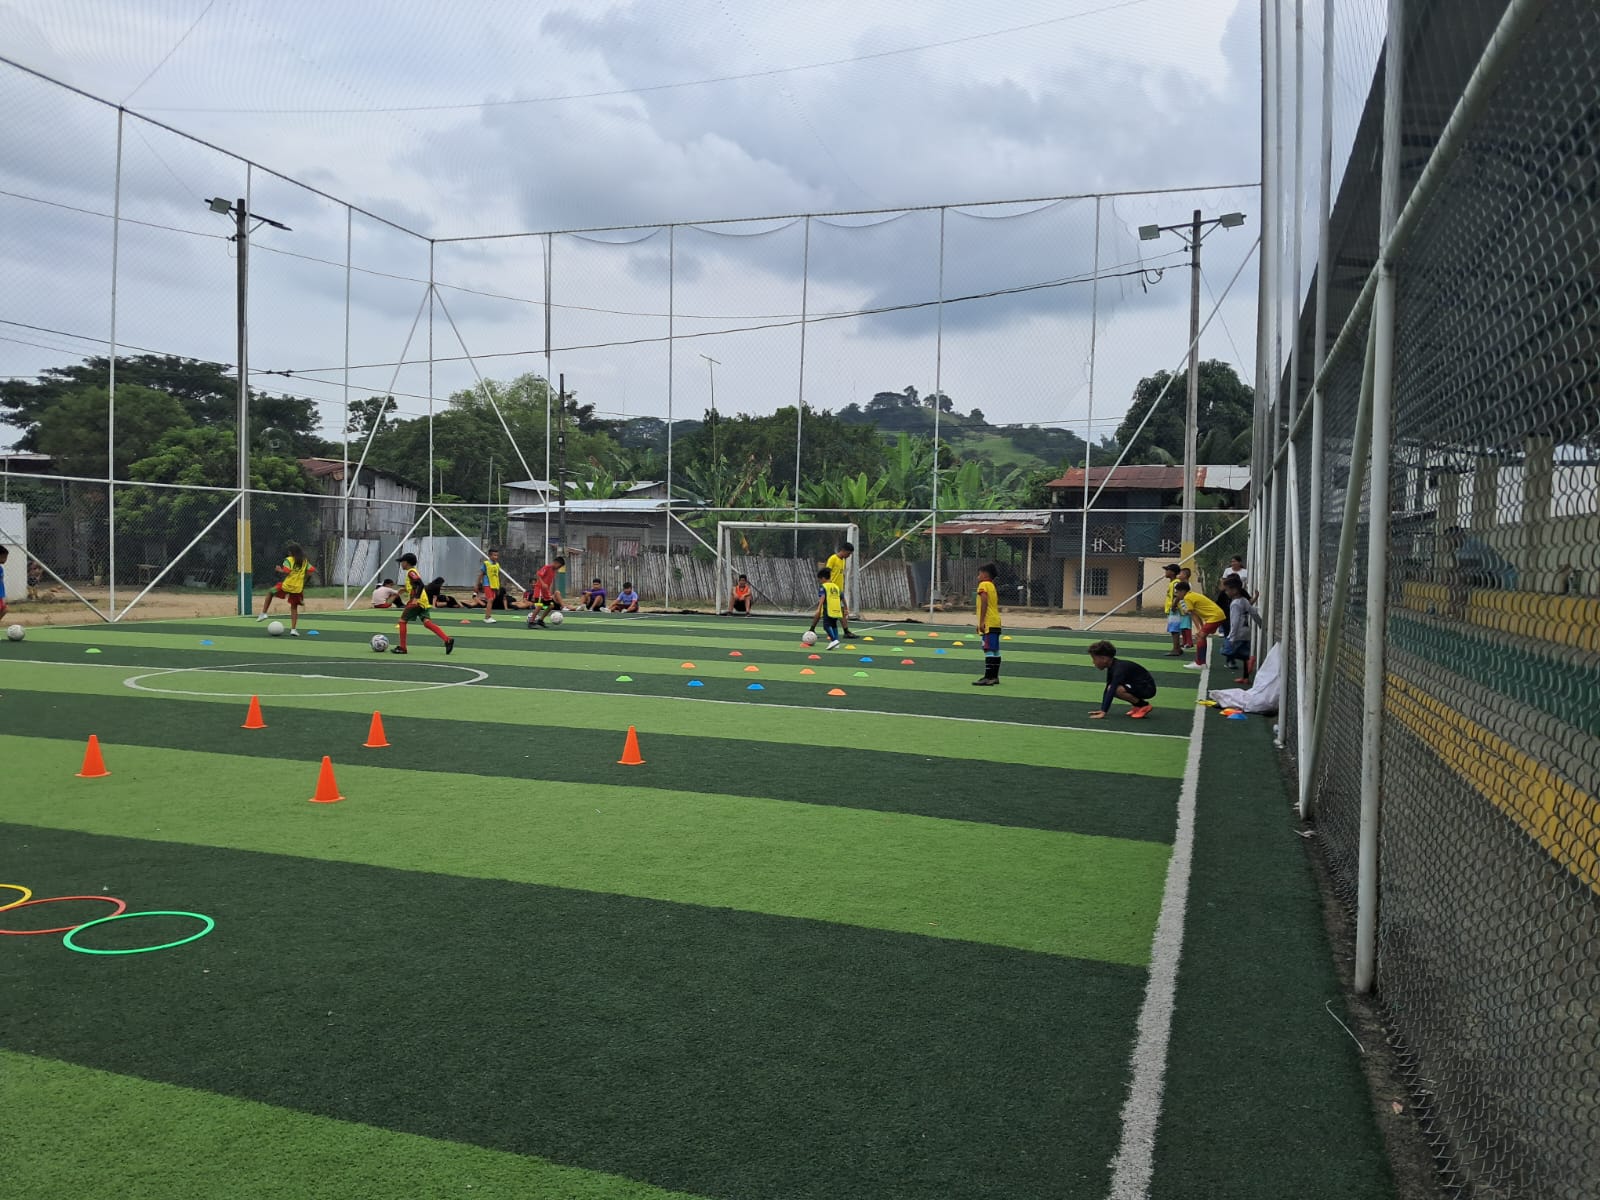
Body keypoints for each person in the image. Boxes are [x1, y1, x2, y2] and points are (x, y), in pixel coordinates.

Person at [392, 553, 454, 655]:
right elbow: (415, 586)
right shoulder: (413, 571)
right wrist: (405, 589)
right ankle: (447, 639)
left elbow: (420, 584)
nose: (401, 564)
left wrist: (416, 599)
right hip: (424, 601)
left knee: (402, 621)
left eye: (402, 562)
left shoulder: (411, 572)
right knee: (426, 622)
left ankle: (402, 648)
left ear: (406, 563)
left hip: (417, 601)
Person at [1086, 640, 1156, 719]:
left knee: (1117, 690)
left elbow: (1112, 690)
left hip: (1147, 689)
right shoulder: (1112, 666)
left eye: (1094, 659)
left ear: (1104, 659)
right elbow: (1108, 688)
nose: (1093, 662)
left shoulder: (1118, 669)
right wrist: (1102, 709)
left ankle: (1144, 706)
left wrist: (1104, 712)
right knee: (1111, 688)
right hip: (1137, 685)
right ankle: (1138, 706)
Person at [257, 542, 315, 635]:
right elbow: (311, 571)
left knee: (270, 592)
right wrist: (303, 580)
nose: (288, 553)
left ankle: (264, 613)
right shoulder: (304, 561)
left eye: (289, 551)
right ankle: (293, 629)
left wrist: (279, 569)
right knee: (294, 607)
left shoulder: (289, 560)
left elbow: (286, 571)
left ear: (291, 552)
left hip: (286, 586)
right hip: (297, 589)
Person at [1173, 581, 1226, 669]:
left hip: (1215, 617)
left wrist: (1199, 629)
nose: (1176, 594)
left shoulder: (1187, 598)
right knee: (1201, 636)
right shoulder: (1192, 595)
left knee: (1200, 637)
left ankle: (1200, 663)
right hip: (1218, 615)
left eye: (1177, 592)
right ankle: (1201, 662)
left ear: (1183, 591)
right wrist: (1200, 628)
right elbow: (1196, 614)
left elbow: (1193, 615)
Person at [1221, 577, 1259, 684]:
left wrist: (1231, 637)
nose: (1226, 592)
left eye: (1227, 590)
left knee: (1226, 651)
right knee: (1242, 653)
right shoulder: (1244, 600)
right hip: (1246, 631)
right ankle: (1245, 677)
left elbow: (1235, 621)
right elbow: (1253, 612)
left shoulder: (1235, 604)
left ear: (1234, 590)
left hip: (1238, 633)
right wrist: (1260, 623)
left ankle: (1250, 660)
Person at [972, 561, 1003, 686]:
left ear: (985, 575)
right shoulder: (992, 586)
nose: (978, 576)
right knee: (995, 650)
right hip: (996, 621)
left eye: (979, 574)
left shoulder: (983, 585)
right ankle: (994, 677)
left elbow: (984, 601)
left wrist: (981, 621)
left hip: (988, 622)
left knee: (988, 649)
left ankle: (988, 677)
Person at [808, 566, 847, 649]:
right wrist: (846, 608)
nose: (820, 581)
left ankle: (833, 640)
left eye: (820, 580)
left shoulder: (823, 586)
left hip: (829, 609)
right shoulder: (836, 586)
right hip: (837, 609)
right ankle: (836, 642)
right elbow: (842, 597)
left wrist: (819, 608)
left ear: (823, 578)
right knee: (834, 625)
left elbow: (822, 597)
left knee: (826, 626)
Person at [824, 542, 856, 637]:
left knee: (841, 611)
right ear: (843, 550)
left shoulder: (843, 561)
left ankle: (846, 631)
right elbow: (826, 574)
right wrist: (829, 587)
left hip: (839, 590)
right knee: (827, 612)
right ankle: (812, 630)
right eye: (848, 554)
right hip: (831, 590)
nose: (849, 556)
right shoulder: (833, 559)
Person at [525, 555, 564, 628]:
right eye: (559, 566)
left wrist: (548, 591)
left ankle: (540, 620)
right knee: (539, 605)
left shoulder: (553, 571)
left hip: (545, 591)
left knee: (551, 605)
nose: (559, 568)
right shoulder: (547, 567)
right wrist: (543, 583)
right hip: (540, 589)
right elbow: (538, 574)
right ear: (555, 563)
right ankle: (531, 622)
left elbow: (549, 581)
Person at [1161, 563, 1184, 656]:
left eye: (1167, 570)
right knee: (1174, 629)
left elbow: (1177, 595)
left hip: (1175, 609)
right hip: (1173, 609)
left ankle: (1176, 649)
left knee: (1174, 630)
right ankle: (1178, 648)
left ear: (1173, 572)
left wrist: (1174, 606)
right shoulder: (1172, 583)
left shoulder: (1175, 583)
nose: (1166, 572)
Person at [480, 549, 503, 624]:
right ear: (489, 555)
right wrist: (478, 584)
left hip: (494, 585)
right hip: (487, 584)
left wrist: (498, 586)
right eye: (494, 555)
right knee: (490, 599)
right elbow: (481, 574)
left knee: (492, 600)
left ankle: (489, 616)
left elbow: (498, 575)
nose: (496, 557)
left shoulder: (497, 564)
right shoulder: (486, 563)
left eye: (497, 555)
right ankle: (487, 617)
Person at [0, 544, 8, 621]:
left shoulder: (1, 569)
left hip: (0, 595)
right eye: (4, 557)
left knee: (4, 610)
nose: (5, 559)